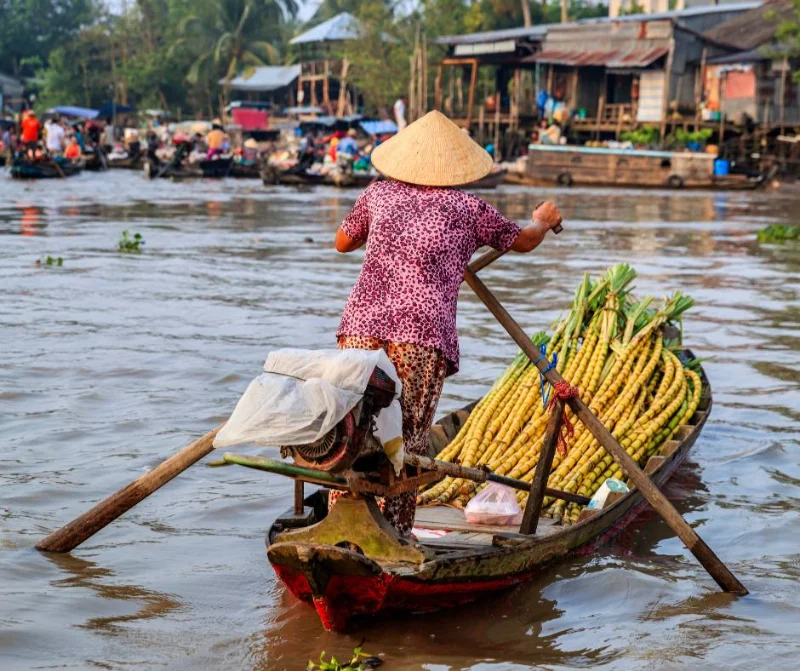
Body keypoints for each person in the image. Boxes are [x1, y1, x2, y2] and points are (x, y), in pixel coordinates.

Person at [330, 110, 563, 537]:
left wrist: (389, 235)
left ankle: (341, 523)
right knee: (410, 439)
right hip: (420, 337)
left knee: (351, 428)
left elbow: (343, 242)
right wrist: (543, 220)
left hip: (361, 329)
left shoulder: (378, 195)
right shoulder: (468, 208)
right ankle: (396, 534)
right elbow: (525, 240)